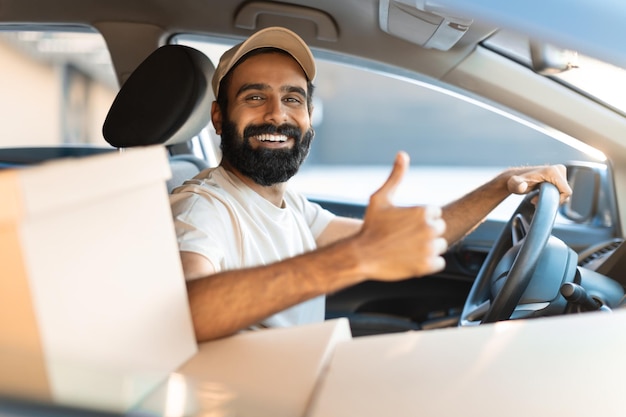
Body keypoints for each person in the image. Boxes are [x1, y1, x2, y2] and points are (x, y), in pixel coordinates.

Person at [170, 26, 572, 343]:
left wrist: (501, 185)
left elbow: (415, 237)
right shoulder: (201, 207)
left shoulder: (289, 204)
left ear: (309, 115)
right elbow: (187, 314)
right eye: (255, 97)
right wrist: (356, 257)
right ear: (220, 118)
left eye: (293, 99)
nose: (278, 115)